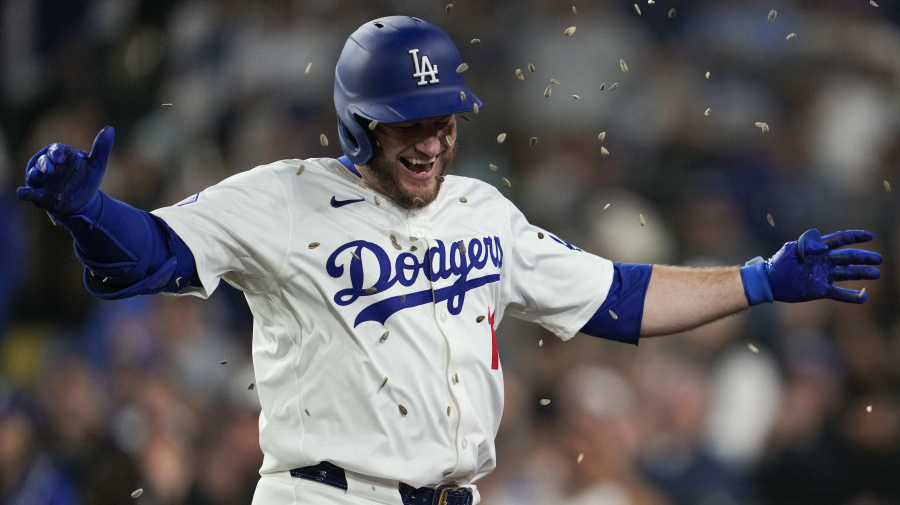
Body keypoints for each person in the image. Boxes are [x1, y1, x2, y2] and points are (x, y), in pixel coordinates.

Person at [16, 15, 882, 505]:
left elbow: (618, 298)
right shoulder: (283, 196)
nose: (432, 139)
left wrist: (760, 279)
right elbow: (154, 257)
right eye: (409, 121)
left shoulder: (483, 211)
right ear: (359, 122)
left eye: (443, 118)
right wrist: (92, 212)